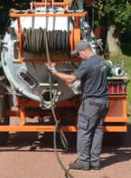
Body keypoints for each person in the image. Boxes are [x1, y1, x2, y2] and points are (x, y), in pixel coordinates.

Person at [46, 40, 109, 170]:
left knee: (84, 131)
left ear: (84, 51)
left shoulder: (87, 63)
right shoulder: (101, 60)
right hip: (103, 102)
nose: (79, 57)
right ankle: (95, 162)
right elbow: (91, 79)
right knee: (97, 131)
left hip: (91, 103)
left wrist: (54, 71)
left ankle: (84, 162)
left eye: (79, 54)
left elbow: (71, 79)